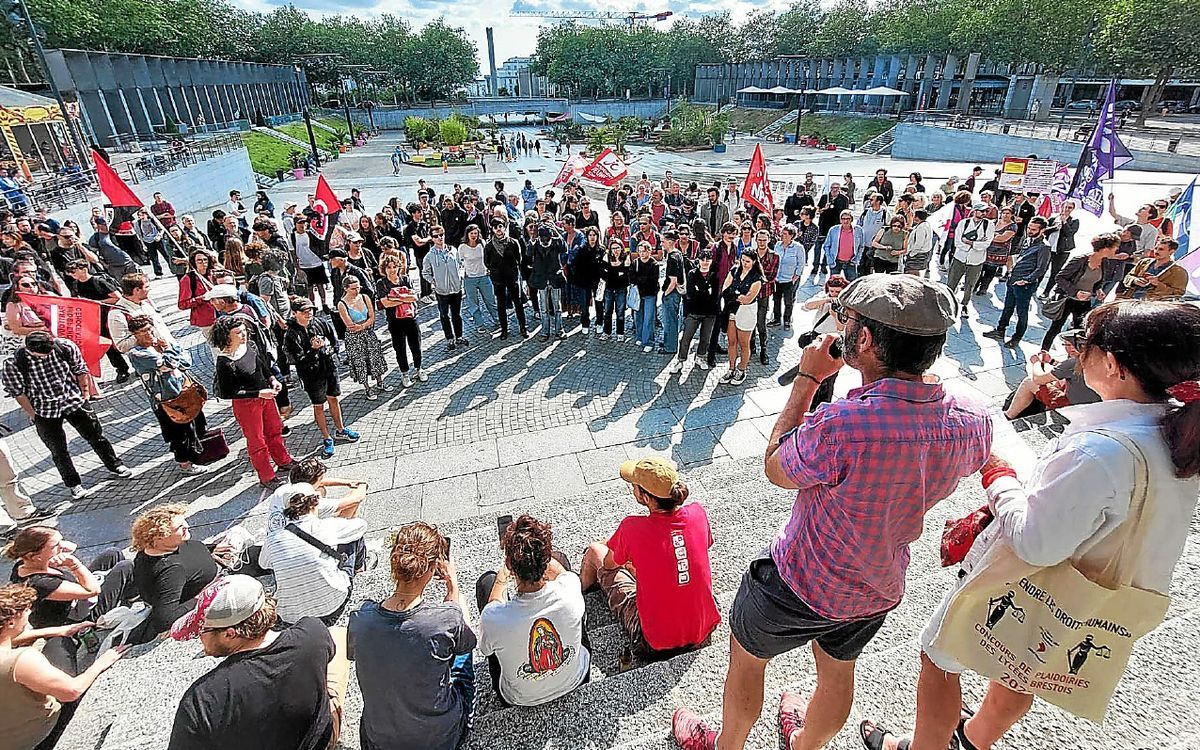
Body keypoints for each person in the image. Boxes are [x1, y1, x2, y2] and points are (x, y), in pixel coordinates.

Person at [862, 300, 1200, 750]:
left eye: (1085, 346)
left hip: (1039, 584)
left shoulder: (1102, 453)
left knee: (939, 656)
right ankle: (974, 739)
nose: (1078, 354)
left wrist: (998, 476)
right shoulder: (1175, 432)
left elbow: (1035, 544)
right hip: (1098, 597)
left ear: (1115, 365)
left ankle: (922, 745)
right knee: (1028, 668)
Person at [672, 274, 991, 750]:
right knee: (838, 672)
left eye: (850, 321)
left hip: (798, 582)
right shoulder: (971, 417)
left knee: (746, 660)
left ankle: (729, 744)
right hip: (877, 586)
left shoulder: (844, 424)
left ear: (862, 339)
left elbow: (777, 466)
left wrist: (808, 379)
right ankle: (805, 744)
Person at [167, 575, 348, 750]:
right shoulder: (312, 634)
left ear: (229, 634)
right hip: (318, 740)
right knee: (337, 634)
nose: (199, 638)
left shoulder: (201, 699)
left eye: (201, 631)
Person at [348, 522, 476, 750]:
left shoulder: (361, 618)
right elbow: (466, 642)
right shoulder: (443, 619)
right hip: (441, 738)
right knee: (461, 643)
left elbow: (354, 654)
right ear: (433, 567)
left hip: (379, 740)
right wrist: (452, 588)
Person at [581, 457, 720, 662]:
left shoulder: (631, 528)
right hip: (703, 628)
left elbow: (610, 564)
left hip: (654, 643)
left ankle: (581, 590)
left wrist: (624, 554)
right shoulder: (698, 513)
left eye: (635, 486)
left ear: (646, 497)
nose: (632, 490)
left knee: (594, 551)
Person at [1, 333, 131, 501]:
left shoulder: (65, 347)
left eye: (49, 351)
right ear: (29, 350)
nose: (46, 356)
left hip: (73, 402)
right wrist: (32, 414)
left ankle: (115, 465)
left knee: (96, 437)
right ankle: (73, 484)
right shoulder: (14, 363)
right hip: (44, 411)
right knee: (58, 451)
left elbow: (80, 369)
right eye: (41, 354)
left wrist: (84, 395)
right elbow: (17, 392)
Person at [476, 515, 589, 706]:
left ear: (511, 565)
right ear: (545, 560)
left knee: (487, 581)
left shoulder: (493, 618)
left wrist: (503, 576)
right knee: (562, 559)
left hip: (519, 698)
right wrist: (543, 558)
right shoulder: (570, 587)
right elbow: (563, 573)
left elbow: (486, 649)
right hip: (575, 679)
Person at [0, 583, 127, 750]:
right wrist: (101, 663)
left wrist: (56, 630)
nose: (29, 613)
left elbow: (8, 640)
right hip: (40, 735)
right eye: (24, 611)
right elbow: (72, 691)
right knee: (60, 645)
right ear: (10, 622)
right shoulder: (21, 660)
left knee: (58, 639)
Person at [259, 489, 370, 625]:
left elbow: (263, 563)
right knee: (353, 538)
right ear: (316, 504)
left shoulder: (273, 537)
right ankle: (360, 569)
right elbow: (361, 526)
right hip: (332, 606)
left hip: (291, 616)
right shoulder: (327, 525)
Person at [210, 317, 293, 485]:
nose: (244, 334)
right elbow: (228, 392)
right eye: (238, 332)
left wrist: (272, 379)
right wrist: (258, 393)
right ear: (227, 336)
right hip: (247, 405)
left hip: (265, 397)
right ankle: (266, 476)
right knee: (257, 440)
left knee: (274, 430)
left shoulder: (249, 347)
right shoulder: (224, 362)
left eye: (244, 330)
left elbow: (262, 367)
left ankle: (283, 460)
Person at [126, 504, 220, 645]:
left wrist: (211, 549)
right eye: (179, 527)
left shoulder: (155, 550)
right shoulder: (171, 571)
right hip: (211, 587)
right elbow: (164, 620)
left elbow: (188, 554)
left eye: (184, 522)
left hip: (216, 559)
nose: (187, 527)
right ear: (159, 538)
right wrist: (201, 598)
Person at [126, 316, 210, 474]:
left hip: (183, 393)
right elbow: (170, 363)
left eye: (150, 330)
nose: (149, 334)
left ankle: (195, 455)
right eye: (143, 332)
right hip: (166, 401)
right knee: (179, 434)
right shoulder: (137, 354)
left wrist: (169, 352)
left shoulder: (159, 346)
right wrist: (168, 350)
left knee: (192, 427)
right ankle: (185, 464)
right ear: (134, 335)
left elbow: (186, 361)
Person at [285, 299, 360, 457]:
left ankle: (340, 430)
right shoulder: (291, 334)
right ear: (295, 313)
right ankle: (327, 437)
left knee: (334, 399)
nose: (309, 314)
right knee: (318, 406)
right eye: (304, 312)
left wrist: (329, 350)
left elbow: (335, 342)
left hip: (328, 367)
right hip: (311, 375)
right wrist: (313, 350)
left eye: (310, 310)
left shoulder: (319, 322)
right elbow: (296, 359)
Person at [1040, 233, 1121, 352]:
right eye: (1115, 247)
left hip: (1084, 303)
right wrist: (1075, 292)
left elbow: (1098, 281)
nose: (1117, 249)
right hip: (1067, 300)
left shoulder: (1104, 262)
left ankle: (1074, 358)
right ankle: (1044, 352)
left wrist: (1098, 289)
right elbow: (1060, 278)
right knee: (1055, 328)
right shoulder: (1080, 260)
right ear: (1105, 249)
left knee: (1080, 332)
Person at [983, 217, 1051, 347]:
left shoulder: (1044, 247)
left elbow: (1041, 268)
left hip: (1024, 284)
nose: (1030, 231)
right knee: (1008, 307)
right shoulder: (1027, 240)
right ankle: (1000, 330)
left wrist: (1026, 280)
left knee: (1021, 312)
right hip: (1014, 278)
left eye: (1033, 229)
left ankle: (1016, 338)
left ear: (1042, 230)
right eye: (1029, 228)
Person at [1002, 331, 1099, 420]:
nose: (1066, 348)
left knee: (1029, 382)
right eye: (1065, 345)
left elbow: (1038, 379)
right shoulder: (1095, 358)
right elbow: (1067, 371)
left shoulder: (1073, 363)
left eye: (1069, 345)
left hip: (1074, 407)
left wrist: (1036, 363)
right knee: (1056, 381)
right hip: (1094, 406)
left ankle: (1009, 415)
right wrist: (1051, 361)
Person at [63, 260, 131, 383]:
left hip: (110, 316)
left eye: (74, 271)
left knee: (123, 340)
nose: (72, 274)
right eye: (70, 273)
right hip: (94, 319)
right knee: (108, 346)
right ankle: (121, 369)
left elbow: (117, 298)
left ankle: (136, 363)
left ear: (84, 269)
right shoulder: (75, 285)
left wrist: (97, 302)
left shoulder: (98, 281)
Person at [799, 274, 851, 409]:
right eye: (832, 291)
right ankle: (809, 403)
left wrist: (835, 315)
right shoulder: (824, 297)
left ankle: (823, 405)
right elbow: (807, 305)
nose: (834, 294)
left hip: (834, 341)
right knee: (811, 372)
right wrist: (826, 300)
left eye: (837, 292)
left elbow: (841, 327)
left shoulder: (847, 305)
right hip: (817, 336)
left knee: (829, 377)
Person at [336, 275, 390, 400]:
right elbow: (350, 325)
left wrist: (363, 325)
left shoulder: (365, 298)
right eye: (353, 288)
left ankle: (380, 382)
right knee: (360, 362)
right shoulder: (342, 304)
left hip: (369, 333)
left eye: (358, 287)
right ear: (346, 289)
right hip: (354, 338)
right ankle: (367, 388)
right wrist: (364, 325)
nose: (357, 291)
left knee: (375, 357)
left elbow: (372, 316)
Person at [719, 250, 763, 386]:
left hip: (746, 312)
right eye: (743, 260)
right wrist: (735, 294)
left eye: (748, 261)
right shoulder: (734, 270)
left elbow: (748, 299)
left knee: (744, 343)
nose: (744, 263)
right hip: (731, 309)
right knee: (731, 341)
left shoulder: (757, 278)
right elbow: (725, 288)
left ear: (754, 262)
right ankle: (731, 368)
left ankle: (742, 369)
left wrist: (733, 293)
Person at [422, 226, 469, 350]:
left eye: (441, 234)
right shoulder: (429, 256)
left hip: (456, 288)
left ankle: (459, 336)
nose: (440, 238)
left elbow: (461, 264)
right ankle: (449, 338)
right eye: (436, 236)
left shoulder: (453, 250)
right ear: (432, 238)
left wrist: (460, 276)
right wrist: (434, 282)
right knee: (444, 315)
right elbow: (425, 273)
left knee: (456, 314)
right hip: (442, 290)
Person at [484, 218, 528, 340]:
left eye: (500, 226)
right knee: (501, 304)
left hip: (512, 277)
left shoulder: (513, 243)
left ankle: (523, 327)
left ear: (504, 227)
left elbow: (519, 259)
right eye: (495, 227)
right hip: (498, 279)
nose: (498, 229)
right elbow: (487, 262)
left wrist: (513, 271)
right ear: (492, 230)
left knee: (518, 303)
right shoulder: (489, 246)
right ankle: (504, 329)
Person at [529, 222, 567, 341]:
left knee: (557, 307)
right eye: (543, 238)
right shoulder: (535, 244)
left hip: (554, 278)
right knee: (544, 309)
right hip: (541, 280)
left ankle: (559, 330)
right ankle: (545, 331)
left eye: (547, 238)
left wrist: (556, 232)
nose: (545, 240)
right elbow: (528, 253)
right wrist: (532, 239)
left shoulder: (556, 242)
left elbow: (564, 248)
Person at [1119, 236, 1188, 300]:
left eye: (1161, 249)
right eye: (1155, 248)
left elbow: (1178, 293)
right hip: (1131, 299)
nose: (1156, 252)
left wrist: (1158, 284)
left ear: (1171, 252)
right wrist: (1135, 280)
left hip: (1153, 304)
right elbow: (1128, 277)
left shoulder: (1179, 272)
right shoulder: (1144, 262)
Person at [458, 224, 498, 333]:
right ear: (467, 234)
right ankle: (479, 324)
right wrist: (462, 274)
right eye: (472, 233)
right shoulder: (462, 247)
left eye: (476, 233)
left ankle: (497, 320)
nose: (474, 235)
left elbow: (488, 257)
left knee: (490, 300)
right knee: (473, 303)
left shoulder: (482, 244)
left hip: (484, 276)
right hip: (469, 278)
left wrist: (489, 269)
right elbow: (460, 262)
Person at [973, 206, 1018, 296]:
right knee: (980, 268)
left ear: (1012, 215)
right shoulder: (994, 222)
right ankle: (974, 285)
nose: (1005, 215)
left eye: (1008, 213)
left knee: (990, 271)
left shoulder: (1012, 226)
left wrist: (989, 236)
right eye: (1003, 213)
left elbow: (1002, 238)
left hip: (999, 252)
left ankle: (983, 288)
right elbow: (982, 232)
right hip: (986, 249)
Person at [1040, 200, 1079, 298]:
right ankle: (1034, 287)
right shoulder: (1053, 218)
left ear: (1073, 209)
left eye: (1069, 207)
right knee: (1042, 268)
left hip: (1062, 251)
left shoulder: (1074, 221)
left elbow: (1069, 233)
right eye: (1065, 207)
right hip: (1049, 248)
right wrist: (1054, 228)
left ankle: (1046, 291)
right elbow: (1044, 231)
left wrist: (1064, 222)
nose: (1066, 209)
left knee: (1055, 272)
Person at [176, 250, 218, 334]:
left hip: (222, 315)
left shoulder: (214, 273)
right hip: (206, 320)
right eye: (199, 260)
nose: (203, 262)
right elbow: (182, 305)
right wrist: (201, 299)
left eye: (205, 259)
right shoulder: (188, 279)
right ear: (194, 263)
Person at [600, 240, 631, 342]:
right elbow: (604, 275)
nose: (615, 250)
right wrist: (618, 274)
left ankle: (620, 332)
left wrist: (613, 274)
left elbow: (626, 277)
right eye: (613, 248)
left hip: (621, 289)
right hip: (608, 289)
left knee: (620, 312)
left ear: (621, 248)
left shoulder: (626, 258)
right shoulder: (606, 257)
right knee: (607, 311)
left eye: (617, 248)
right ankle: (607, 332)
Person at [821, 210, 865, 280]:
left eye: (848, 219)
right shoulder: (833, 230)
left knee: (851, 285)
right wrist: (830, 259)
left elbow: (861, 246)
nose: (845, 221)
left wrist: (856, 259)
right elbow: (826, 246)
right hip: (835, 262)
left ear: (852, 219)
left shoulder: (858, 230)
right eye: (843, 219)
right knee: (834, 284)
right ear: (840, 220)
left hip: (850, 262)